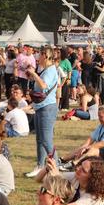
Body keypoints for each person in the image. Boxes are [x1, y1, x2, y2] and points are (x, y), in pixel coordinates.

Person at [25, 48, 59, 178]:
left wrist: (34, 74)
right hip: (41, 107)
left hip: (47, 108)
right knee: (40, 139)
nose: (38, 57)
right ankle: (40, 166)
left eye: (40, 55)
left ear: (45, 55)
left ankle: (56, 165)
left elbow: (44, 86)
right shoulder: (46, 69)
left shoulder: (50, 70)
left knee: (46, 139)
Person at [60, 104, 104, 168]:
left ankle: (75, 163)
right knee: (82, 148)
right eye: (98, 116)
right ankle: (62, 159)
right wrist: (82, 148)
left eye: (101, 117)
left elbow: (102, 144)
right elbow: (89, 140)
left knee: (93, 150)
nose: (99, 119)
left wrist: (86, 148)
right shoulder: (100, 127)